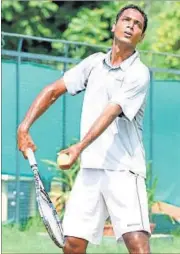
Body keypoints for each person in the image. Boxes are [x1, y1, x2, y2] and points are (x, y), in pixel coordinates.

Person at [18, 4, 151, 254]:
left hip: (124, 171)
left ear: (141, 36)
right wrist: (24, 127)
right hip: (90, 170)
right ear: (114, 26)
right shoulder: (93, 64)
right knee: (73, 245)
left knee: (137, 243)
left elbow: (111, 112)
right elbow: (53, 90)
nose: (131, 25)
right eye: (126, 20)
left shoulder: (139, 73)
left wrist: (79, 147)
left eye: (137, 24)